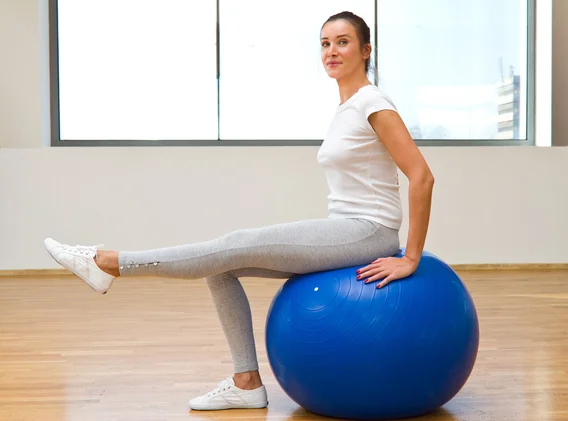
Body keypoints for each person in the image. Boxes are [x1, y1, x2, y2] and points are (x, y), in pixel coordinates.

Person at [44, 11, 434, 412]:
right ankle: (246, 382)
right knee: (222, 264)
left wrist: (410, 257)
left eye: (343, 42)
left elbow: (421, 176)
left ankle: (107, 262)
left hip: (368, 232)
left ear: (366, 50)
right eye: (325, 43)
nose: (331, 51)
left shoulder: (372, 102)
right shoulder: (345, 108)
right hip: (345, 227)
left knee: (233, 244)